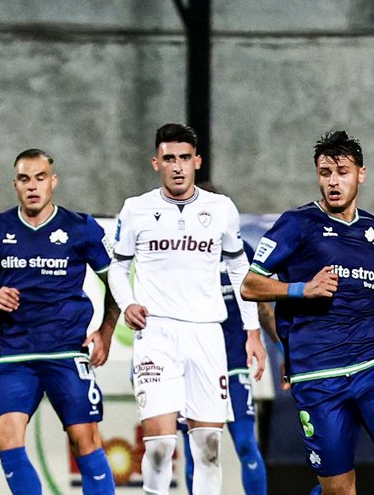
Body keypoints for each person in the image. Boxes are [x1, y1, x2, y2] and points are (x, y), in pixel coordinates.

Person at [240, 130, 374, 495]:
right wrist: (301, 289)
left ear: (361, 174)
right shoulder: (296, 224)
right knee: (339, 489)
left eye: (342, 172)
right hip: (318, 372)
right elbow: (250, 285)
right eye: (325, 173)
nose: (333, 182)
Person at [108, 123, 267, 495]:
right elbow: (117, 267)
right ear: (156, 163)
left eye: (184, 158)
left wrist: (252, 331)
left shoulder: (221, 209)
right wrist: (128, 303)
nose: (177, 166)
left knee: (208, 446)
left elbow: (239, 269)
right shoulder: (136, 209)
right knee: (160, 446)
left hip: (207, 334)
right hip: (157, 334)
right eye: (169, 159)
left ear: (197, 161)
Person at [0, 149, 118, 495]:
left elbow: (116, 281)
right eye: (24, 179)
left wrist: (106, 332)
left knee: (85, 440)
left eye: (40, 178)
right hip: (16, 355)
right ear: (15, 184)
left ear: (53, 182)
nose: (32, 186)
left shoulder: (81, 227)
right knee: (6, 438)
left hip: (66, 352)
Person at [178, 183, 278, 495]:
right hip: (192, 366)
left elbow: (262, 307)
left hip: (233, 362)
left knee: (246, 443)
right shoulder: (176, 256)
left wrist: (285, 348)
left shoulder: (240, 251)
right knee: (198, 449)